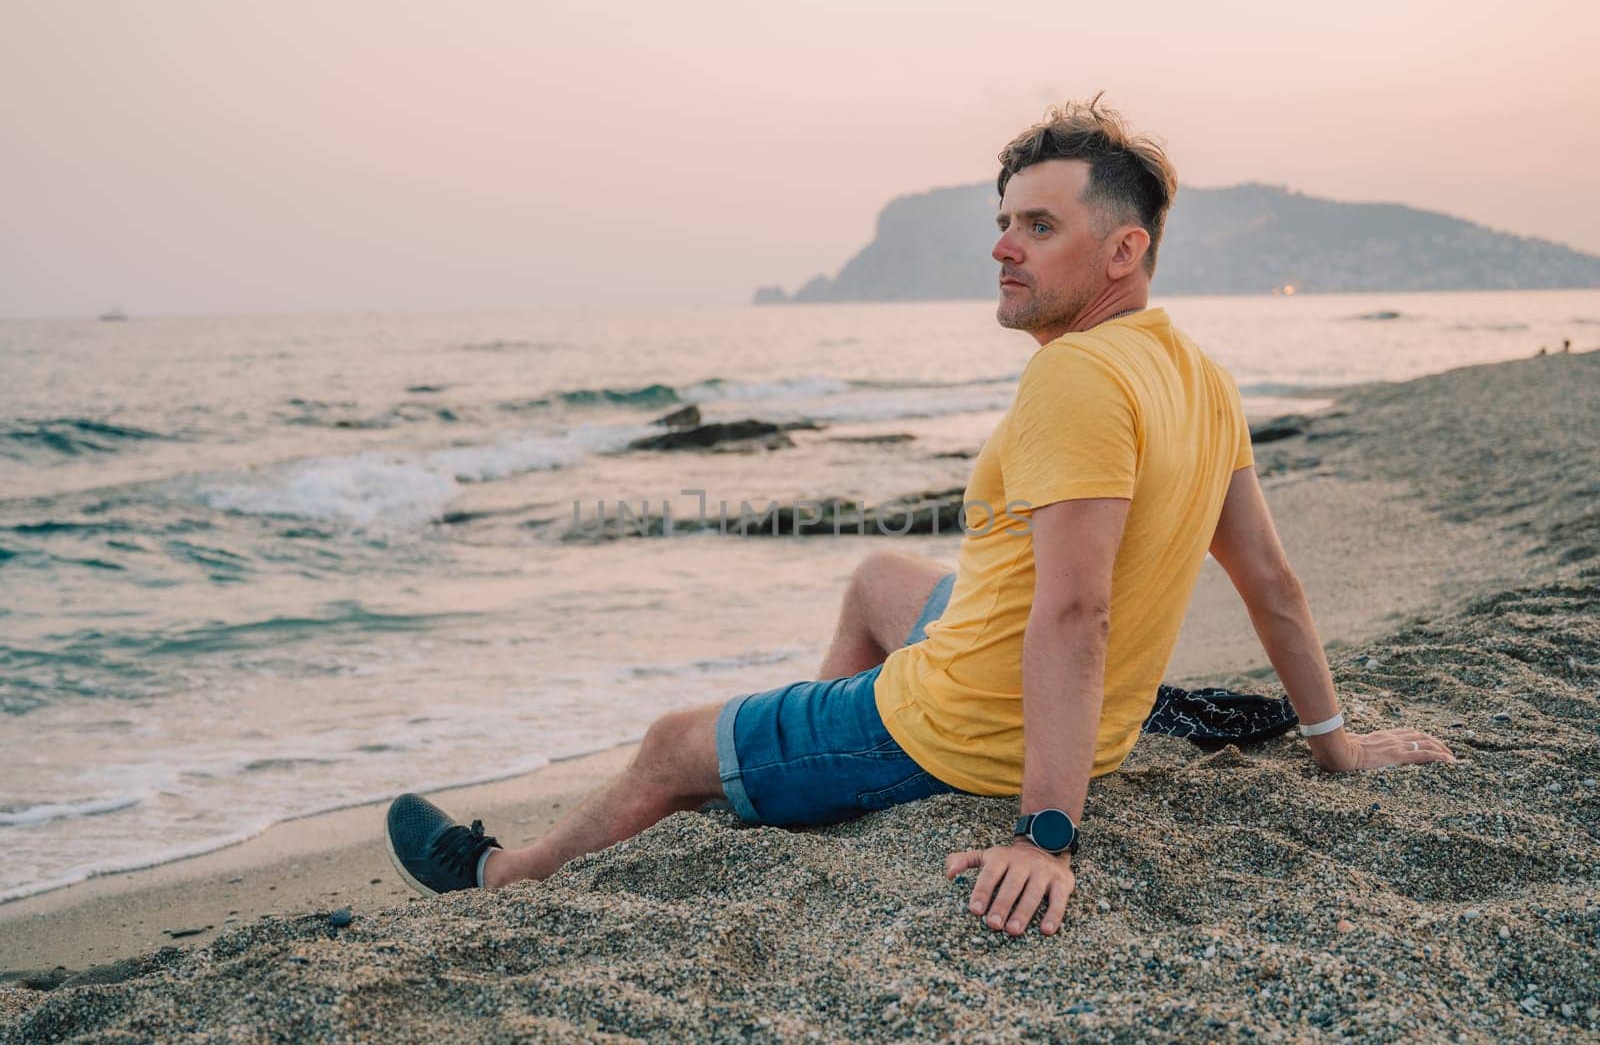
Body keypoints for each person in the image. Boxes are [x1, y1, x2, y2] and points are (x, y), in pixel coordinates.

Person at [385, 97, 1455, 938]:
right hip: (1045, 690)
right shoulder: (1198, 375)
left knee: (669, 744)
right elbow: (1269, 578)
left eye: (1040, 226)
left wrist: (1047, 833)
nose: (1005, 246)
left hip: (963, 727)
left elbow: (1075, 614)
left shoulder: (1076, 381)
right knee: (877, 581)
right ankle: (785, 767)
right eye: (1003, 224)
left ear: (1122, 251)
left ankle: (500, 872)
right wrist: (1334, 743)